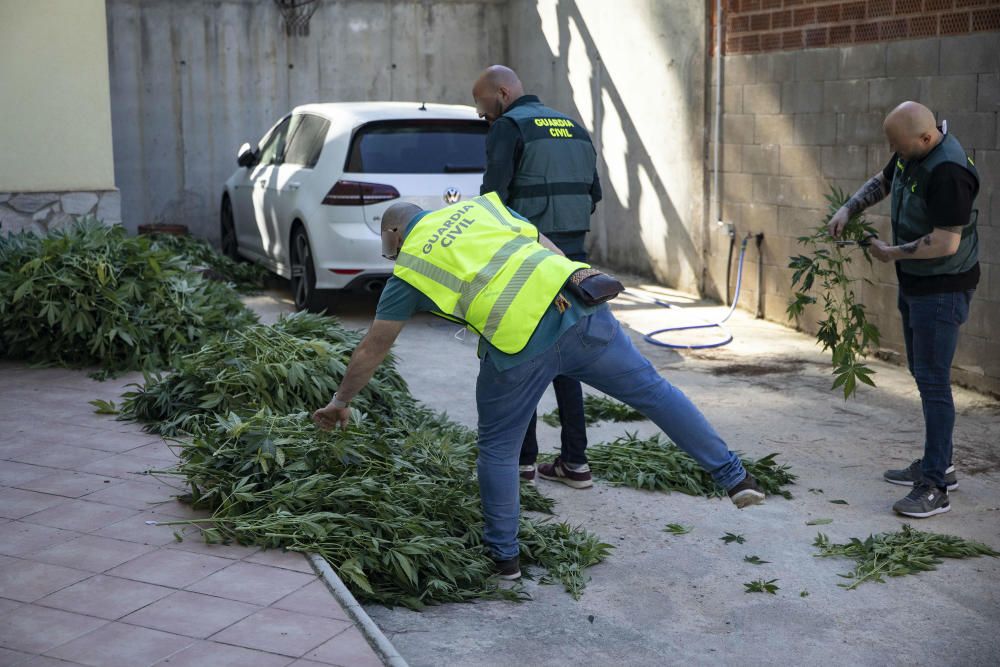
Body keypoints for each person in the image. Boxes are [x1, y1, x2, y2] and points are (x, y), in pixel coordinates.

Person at [313, 194, 765, 579]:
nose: (390, 253)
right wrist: (576, 276)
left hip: (517, 353)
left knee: (497, 448)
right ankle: (732, 476)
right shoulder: (482, 209)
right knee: (656, 393)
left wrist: (340, 401)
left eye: (387, 246)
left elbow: (373, 348)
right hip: (582, 316)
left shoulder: (410, 267)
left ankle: (504, 558)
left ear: (394, 233)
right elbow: (542, 244)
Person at [828, 101, 980, 518]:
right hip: (918, 282)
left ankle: (934, 487)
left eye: (898, 144)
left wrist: (890, 253)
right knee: (924, 374)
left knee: (933, 382)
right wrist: (848, 208)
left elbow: (946, 242)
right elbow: (884, 178)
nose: (893, 151)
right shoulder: (915, 150)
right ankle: (941, 465)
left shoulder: (948, 172)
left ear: (926, 138)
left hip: (942, 287)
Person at [471, 64, 603, 489]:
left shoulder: (510, 127)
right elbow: (593, 195)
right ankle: (575, 462)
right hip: (575, 259)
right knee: (566, 357)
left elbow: (492, 201)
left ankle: (524, 462)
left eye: (483, 107)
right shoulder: (575, 128)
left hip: (529, 259)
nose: (483, 117)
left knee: (521, 352)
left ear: (503, 93)